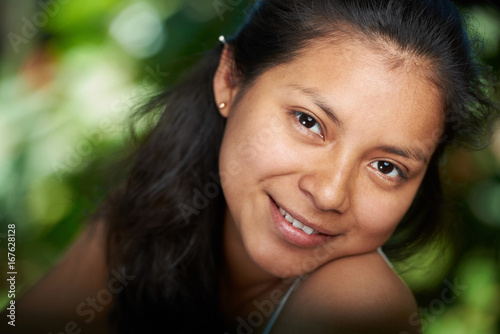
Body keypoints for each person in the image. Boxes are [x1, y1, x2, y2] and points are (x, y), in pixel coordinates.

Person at [2, 0, 499, 333]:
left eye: (387, 168)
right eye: (309, 122)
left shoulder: (358, 304)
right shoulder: (157, 201)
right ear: (230, 81)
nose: (329, 193)